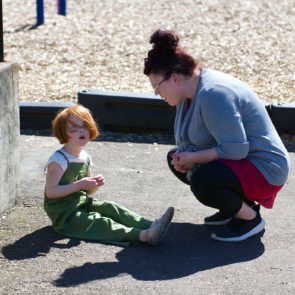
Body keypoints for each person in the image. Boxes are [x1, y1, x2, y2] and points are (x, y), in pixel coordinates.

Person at [143, 29, 290, 242]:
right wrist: (186, 157)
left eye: (156, 86)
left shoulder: (214, 94)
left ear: (174, 78)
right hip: (245, 162)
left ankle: (249, 219)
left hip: (266, 168)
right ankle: (238, 206)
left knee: (204, 179)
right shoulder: (189, 91)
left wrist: (193, 158)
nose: (156, 93)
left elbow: (236, 149)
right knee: (175, 157)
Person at [44, 104, 174, 246]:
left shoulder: (85, 157)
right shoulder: (59, 160)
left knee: (110, 208)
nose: (81, 130)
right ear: (62, 131)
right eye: (74, 127)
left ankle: (150, 225)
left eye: (85, 125)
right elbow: (51, 192)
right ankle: (144, 235)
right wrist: (80, 184)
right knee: (99, 222)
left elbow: (88, 191)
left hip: (80, 204)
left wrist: (94, 185)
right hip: (64, 215)